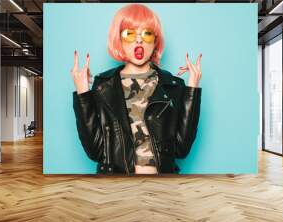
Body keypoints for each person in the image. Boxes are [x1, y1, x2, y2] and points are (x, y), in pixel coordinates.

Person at [70, 3, 202, 175]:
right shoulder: (104, 85)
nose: (139, 40)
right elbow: (94, 151)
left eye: (147, 34)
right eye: (129, 34)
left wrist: (192, 87)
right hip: (116, 188)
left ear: (155, 41)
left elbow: (181, 150)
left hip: (162, 187)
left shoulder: (173, 86)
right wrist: (82, 92)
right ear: (118, 39)